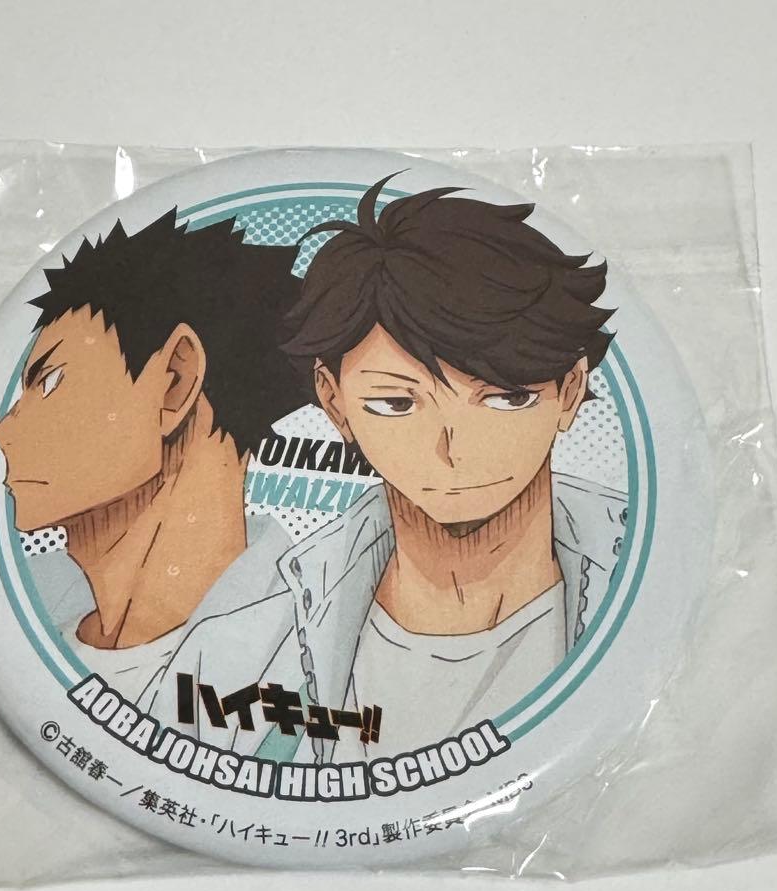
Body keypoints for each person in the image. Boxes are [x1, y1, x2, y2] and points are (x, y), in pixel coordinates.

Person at [141, 177, 627, 760]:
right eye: (396, 403)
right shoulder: (230, 658)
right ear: (334, 401)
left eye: (506, 398)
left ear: (570, 390)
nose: (453, 447)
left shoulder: (641, 590)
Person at [0, 212, 306, 698]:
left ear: (174, 381)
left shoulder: (321, 650)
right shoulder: (22, 623)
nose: (1, 432)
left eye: (50, 383)